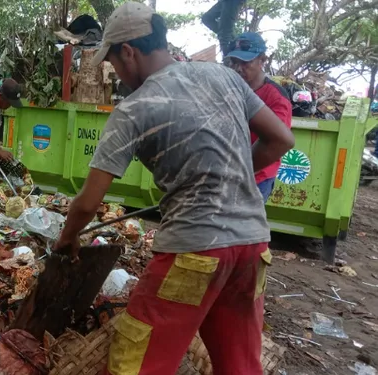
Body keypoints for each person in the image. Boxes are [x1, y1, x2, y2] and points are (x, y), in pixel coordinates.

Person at [53, 3, 294, 374]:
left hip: (194, 251)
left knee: (137, 363)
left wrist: (68, 238)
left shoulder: (134, 109)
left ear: (129, 52)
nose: (115, 72)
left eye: (113, 62)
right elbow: (280, 139)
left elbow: (87, 203)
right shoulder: (224, 78)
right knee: (240, 364)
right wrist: (233, 170)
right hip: (252, 247)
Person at [226, 32, 292, 202]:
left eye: (245, 62)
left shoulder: (276, 97)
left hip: (256, 178)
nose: (238, 68)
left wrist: (244, 171)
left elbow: (277, 141)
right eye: (234, 62)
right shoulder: (230, 88)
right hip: (226, 173)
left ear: (263, 60)